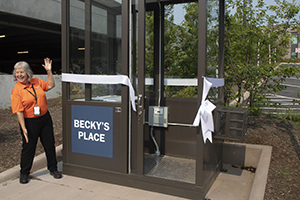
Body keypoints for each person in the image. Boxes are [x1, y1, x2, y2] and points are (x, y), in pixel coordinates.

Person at [10, 58, 62, 184]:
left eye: (21, 72)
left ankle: (53, 169)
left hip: (44, 119)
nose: (19, 75)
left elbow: (50, 85)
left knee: (49, 145)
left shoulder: (36, 82)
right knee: (29, 148)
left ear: (28, 72)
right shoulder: (16, 91)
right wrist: (23, 128)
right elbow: (19, 112)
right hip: (29, 122)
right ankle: (24, 173)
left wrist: (49, 72)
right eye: (17, 72)